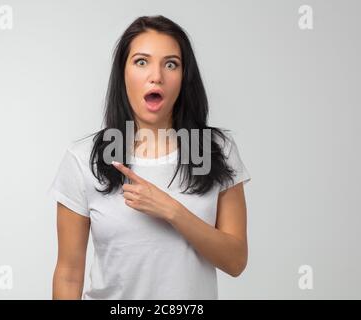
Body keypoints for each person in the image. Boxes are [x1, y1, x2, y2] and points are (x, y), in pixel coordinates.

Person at [48, 15, 251, 300]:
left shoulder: (216, 149)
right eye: (141, 62)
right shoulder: (84, 159)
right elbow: (69, 274)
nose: (156, 76)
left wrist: (172, 211)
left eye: (171, 64)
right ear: (123, 73)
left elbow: (235, 261)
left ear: (184, 77)